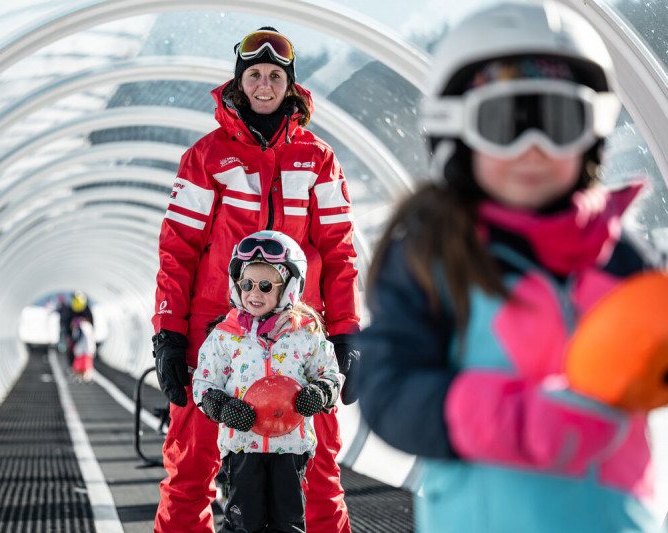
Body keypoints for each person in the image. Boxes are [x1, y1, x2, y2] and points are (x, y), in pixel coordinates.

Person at [357, 2, 663, 532]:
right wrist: (518, 422)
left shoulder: (621, 256)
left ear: (591, 135)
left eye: (558, 123)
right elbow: (388, 390)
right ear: (456, 130)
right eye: (504, 124)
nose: (534, 150)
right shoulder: (435, 257)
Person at [152, 27, 360, 533]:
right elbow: (178, 250)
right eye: (254, 75)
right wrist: (168, 333)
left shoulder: (318, 158)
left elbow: (338, 251)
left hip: (301, 335)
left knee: (318, 475)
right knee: (191, 469)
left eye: (274, 76)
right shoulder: (206, 158)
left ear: (289, 85)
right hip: (216, 334)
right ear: (239, 82)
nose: (264, 84)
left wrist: (346, 332)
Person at [192, 231, 344, 533]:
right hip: (242, 447)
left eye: (265, 285)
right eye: (246, 284)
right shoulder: (225, 336)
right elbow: (204, 382)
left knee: (287, 524)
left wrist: (320, 392)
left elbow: (329, 371)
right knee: (242, 522)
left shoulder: (305, 335)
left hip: (290, 449)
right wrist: (221, 407)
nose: (254, 293)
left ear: (288, 288)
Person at [70, 315, 96, 382]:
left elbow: (75, 338)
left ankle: (80, 376)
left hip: (81, 350)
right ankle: (86, 376)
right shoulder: (88, 327)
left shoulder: (79, 328)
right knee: (86, 364)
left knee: (80, 364)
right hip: (87, 350)